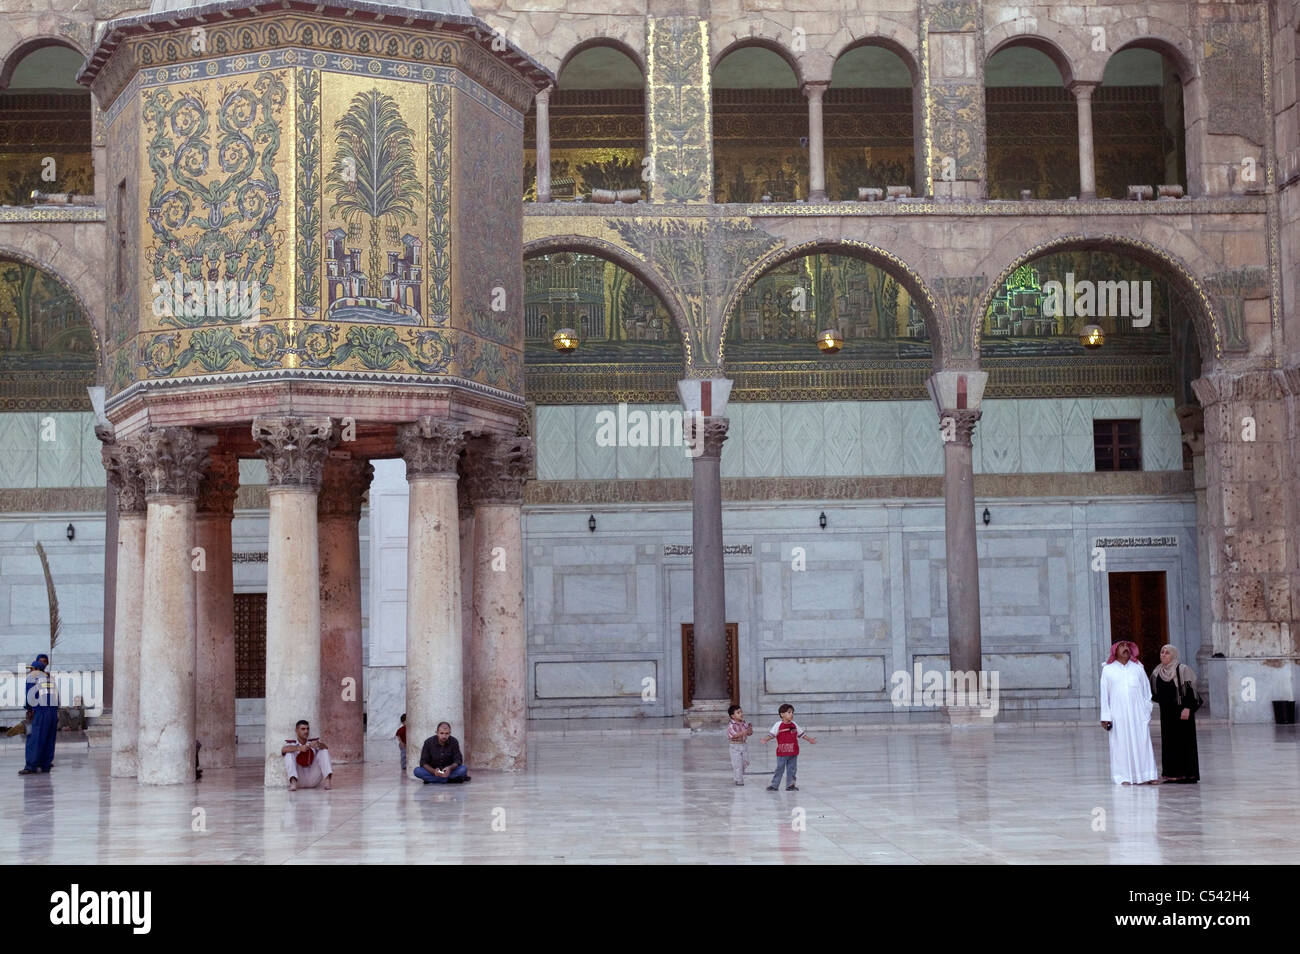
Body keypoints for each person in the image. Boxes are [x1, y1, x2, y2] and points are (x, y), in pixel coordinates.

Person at [1100, 640, 1159, 785]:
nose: (1125, 649)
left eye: (1127, 646)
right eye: (1122, 646)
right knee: (1121, 745)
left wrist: (1146, 710)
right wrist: (1105, 717)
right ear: (1115, 651)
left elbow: (1146, 691)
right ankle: (1123, 776)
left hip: (1138, 714)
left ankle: (1148, 775)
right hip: (1118, 714)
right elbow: (1104, 695)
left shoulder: (1138, 668)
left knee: (1142, 743)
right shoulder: (1108, 669)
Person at [1150, 644, 1200, 783]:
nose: (1163, 655)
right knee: (1169, 743)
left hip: (1182, 713)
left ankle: (1188, 774)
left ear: (1174, 655)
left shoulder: (1182, 670)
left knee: (1184, 742)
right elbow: (1154, 693)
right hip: (1167, 714)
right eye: (1162, 652)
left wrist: (1188, 708)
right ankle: (1171, 774)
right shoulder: (1157, 672)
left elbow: (1191, 692)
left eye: (1167, 653)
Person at [761, 703, 816, 791]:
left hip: (793, 752)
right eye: (789, 712)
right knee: (779, 769)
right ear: (782, 714)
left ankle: (790, 785)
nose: (791, 714)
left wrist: (810, 739)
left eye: (792, 712)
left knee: (792, 769)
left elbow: (801, 734)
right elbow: (771, 734)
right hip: (782, 753)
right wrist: (765, 739)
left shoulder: (794, 724)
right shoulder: (778, 725)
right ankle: (774, 785)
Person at [19, 654, 57, 775]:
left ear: (35, 669)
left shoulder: (32, 677)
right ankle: (45, 765)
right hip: (52, 712)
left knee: (34, 739)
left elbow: (30, 695)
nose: (30, 670)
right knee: (48, 739)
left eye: (31, 668)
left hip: (39, 712)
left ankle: (31, 766)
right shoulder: (50, 678)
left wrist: (29, 709)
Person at [281, 720, 332, 790]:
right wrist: (299, 748)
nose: (306, 731)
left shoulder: (312, 742)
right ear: (296, 730)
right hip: (299, 779)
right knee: (289, 753)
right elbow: (283, 749)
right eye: (303, 729)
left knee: (323, 750)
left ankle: (327, 781)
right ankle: (293, 782)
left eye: (307, 729)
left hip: (313, 778)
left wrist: (318, 745)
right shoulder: (292, 743)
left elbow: (326, 747)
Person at [726, 704, 753, 785]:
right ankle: (739, 780)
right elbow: (734, 735)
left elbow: (749, 734)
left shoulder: (744, 723)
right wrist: (744, 732)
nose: (741, 714)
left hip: (743, 745)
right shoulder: (731, 725)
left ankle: (738, 775)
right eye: (738, 712)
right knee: (737, 763)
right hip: (735, 746)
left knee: (745, 762)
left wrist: (750, 729)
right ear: (732, 716)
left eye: (741, 712)